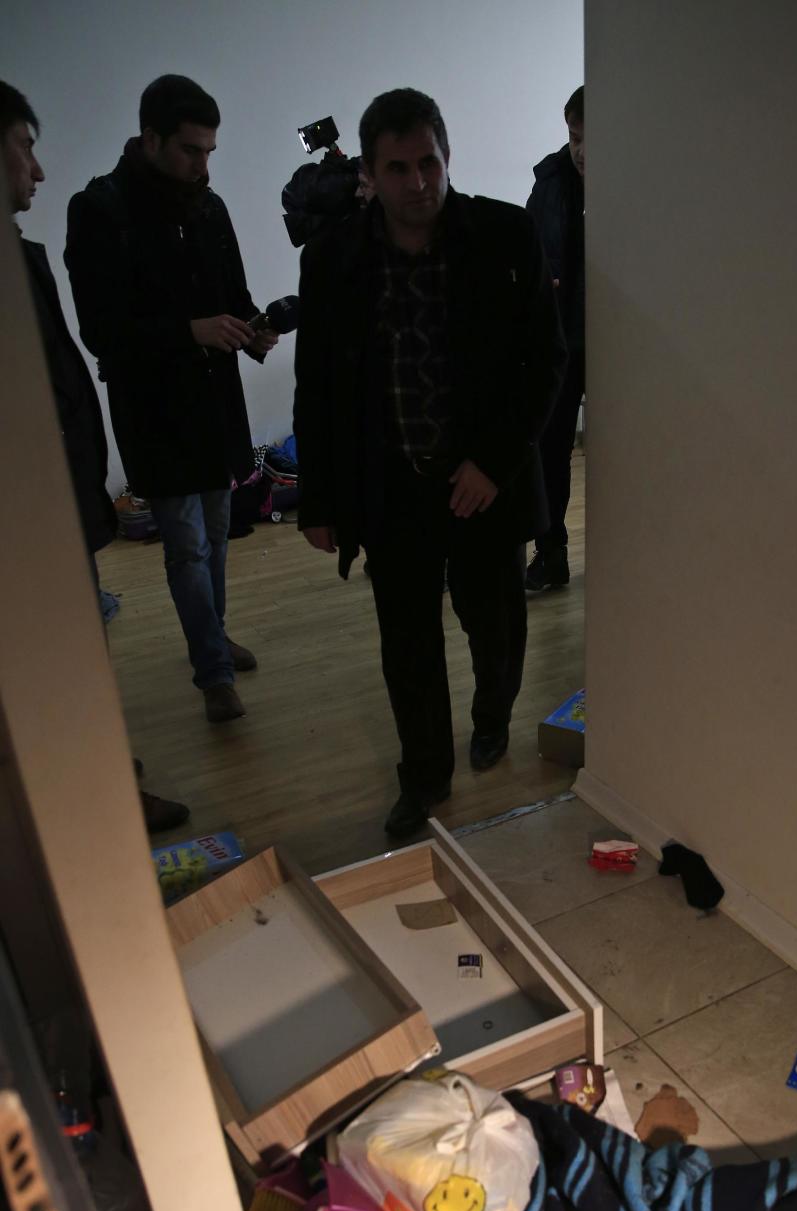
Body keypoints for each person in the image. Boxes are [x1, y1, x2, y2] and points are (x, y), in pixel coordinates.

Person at [294, 88, 566, 839]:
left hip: (484, 483)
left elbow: (546, 361)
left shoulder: (507, 235)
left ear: (448, 157)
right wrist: (317, 498)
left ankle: (491, 716)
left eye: (429, 162)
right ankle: (424, 775)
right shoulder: (334, 258)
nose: (418, 182)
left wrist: (495, 461)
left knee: (497, 626)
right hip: (392, 488)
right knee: (407, 644)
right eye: (398, 167)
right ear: (371, 175)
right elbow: (316, 382)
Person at [2, 78, 188, 832]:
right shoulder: (82, 223)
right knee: (61, 663)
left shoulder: (19, 254)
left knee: (78, 653)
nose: (38, 171)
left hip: (59, 504)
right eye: (25, 148)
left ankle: (96, 763)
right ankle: (95, 794)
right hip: (28, 518)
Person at [65, 75, 277, 724]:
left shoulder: (206, 206)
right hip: (155, 409)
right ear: (150, 139)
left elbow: (232, 293)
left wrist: (254, 329)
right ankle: (212, 670)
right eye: (191, 150)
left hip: (212, 403)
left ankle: (212, 637)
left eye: (210, 151)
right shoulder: (100, 209)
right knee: (186, 544)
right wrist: (192, 331)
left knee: (216, 534)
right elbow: (102, 328)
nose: (202, 165)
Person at [525, 85, 585, 593]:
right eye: (574, 136)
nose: (581, 149)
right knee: (549, 451)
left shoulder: (644, 183)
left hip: (625, 342)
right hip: (562, 340)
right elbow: (525, 254)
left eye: (592, 138)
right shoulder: (548, 181)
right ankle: (551, 554)